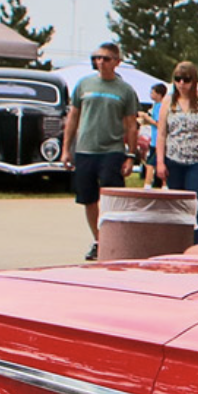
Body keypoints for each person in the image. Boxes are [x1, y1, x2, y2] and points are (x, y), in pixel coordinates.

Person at [63, 42, 141, 261]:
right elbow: (73, 118)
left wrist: (130, 155)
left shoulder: (124, 90)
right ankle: (98, 240)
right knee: (88, 198)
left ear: (117, 61)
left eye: (106, 58)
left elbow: (131, 125)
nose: (100, 62)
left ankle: (113, 238)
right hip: (86, 149)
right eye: (97, 58)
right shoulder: (84, 85)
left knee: (112, 199)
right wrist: (66, 149)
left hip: (112, 150)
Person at [155, 60, 198, 245]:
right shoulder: (169, 102)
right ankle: (175, 243)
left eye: (186, 80)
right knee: (175, 206)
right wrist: (160, 162)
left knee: (194, 205)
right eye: (178, 80)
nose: (182, 84)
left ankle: (193, 244)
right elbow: (161, 134)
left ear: (194, 81)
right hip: (173, 159)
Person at [139, 81, 166, 187]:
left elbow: (158, 124)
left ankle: (147, 184)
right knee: (156, 162)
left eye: (152, 93)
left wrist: (146, 117)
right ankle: (164, 184)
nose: (151, 95)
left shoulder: (160, 106)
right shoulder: (155, 106)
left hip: (159, 140)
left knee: (150, 163)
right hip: (154, 140)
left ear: (159, 94)